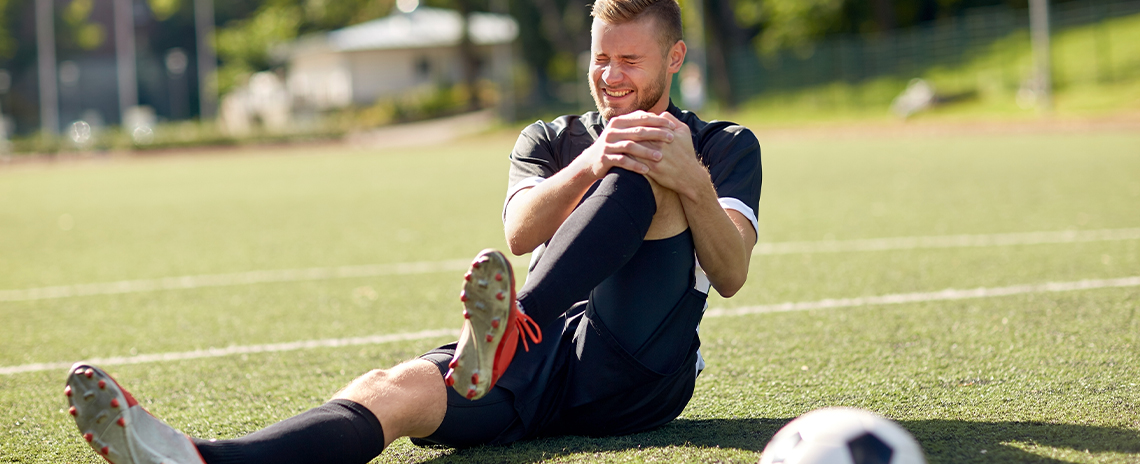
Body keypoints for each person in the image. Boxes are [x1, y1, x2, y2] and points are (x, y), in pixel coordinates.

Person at [64, 0, 761, 462]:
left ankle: (513, 322)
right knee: (395, 387)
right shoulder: (551, 136)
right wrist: (589, 160)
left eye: (628, 60)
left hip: (636, 368)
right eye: (599, 57)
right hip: (540, 358)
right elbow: (519, 233)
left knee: (648, 168)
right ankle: (200, 456)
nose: (608, 76)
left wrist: (691, 179)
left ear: (674, 58)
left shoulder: (727, 144)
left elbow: (729, 274)